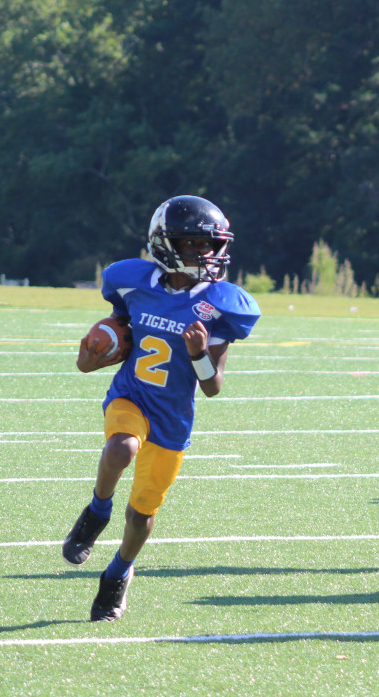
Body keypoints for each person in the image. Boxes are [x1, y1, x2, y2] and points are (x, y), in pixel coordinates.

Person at [61, 195, 261, 622]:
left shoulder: (223, 303)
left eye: (208, 244)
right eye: (191, 243)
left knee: (142, 515)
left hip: (172, 417)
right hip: (131, 396)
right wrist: (91, 356)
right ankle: (96, 510)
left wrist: (199, 351)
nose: (202, 253)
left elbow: (212, 386)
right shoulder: (132, 281)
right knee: (121, 448)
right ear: (166, 244)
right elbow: (115, 331)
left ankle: (118, 572)